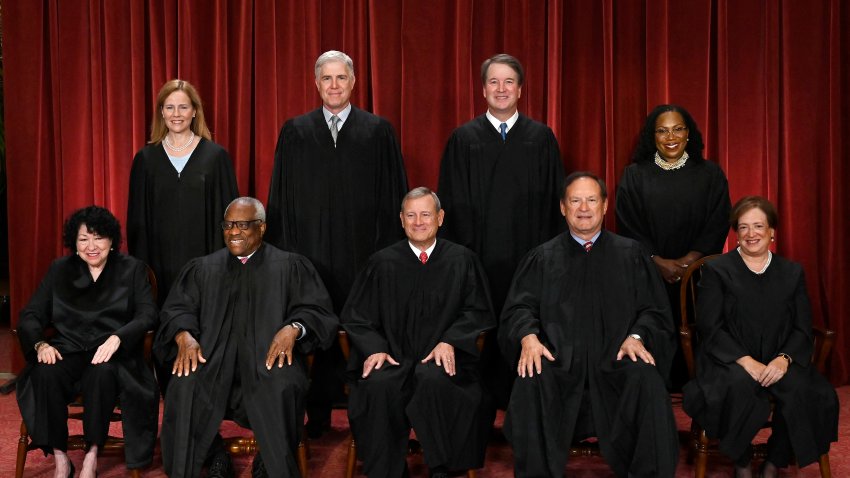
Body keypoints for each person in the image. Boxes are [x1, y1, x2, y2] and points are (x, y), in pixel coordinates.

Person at [266, 50, 408, 436]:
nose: (333, 85)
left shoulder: (377, 130)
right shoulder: (295, 130)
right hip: (308, 253)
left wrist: (387, 254)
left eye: (341, 78)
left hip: (363, 252)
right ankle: (317, 413)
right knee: (312, 324)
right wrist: (287, 255)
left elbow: (393, 195)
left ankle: (366, 415)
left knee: (362, 327)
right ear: (316, 84)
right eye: (326, 79)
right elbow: (281, 197)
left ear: (353, 82)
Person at [500, 172, 679, 477]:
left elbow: (654, 310)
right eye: (575, 200)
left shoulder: (631, 255)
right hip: (557, 363)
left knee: (647, 381)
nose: (584, 207)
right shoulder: (542, 258)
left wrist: (636, 336)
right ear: (562, 207)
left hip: (617, 361)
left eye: (591, 200)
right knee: (531, 379)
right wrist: (529, 337)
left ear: (605, 205)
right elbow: (519, 307)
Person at [154, 197, 339, 478]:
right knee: (184, 383)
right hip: (213, 362)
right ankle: (214, 456)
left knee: (283, 385)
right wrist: (183, 335)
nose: (234, 232)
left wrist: (294, 328)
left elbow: (316, 310)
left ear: (261, 228)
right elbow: (177, 309)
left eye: (242, 224)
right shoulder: (203, 269)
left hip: (269, 361)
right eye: (228, 225)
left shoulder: (289, 266)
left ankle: (270, 461)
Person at [438, 53, 564, 407]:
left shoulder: (541, 139)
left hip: (530, 258)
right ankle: (478, 407)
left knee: (528, 323)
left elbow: (557, 204)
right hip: (478, 259)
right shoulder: (464, 139)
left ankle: (525, 403)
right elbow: (450, 202)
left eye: (509, 81)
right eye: (493, 81)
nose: (501, 88)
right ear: (483, 90)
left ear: (521, 89)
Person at [342, 187, 496, 477]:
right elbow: (356, 316)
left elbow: (478, 311)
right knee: (377, 387)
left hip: (442, 360)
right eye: (411, 215)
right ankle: (389, 471)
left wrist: (451, 341)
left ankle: (444, 470)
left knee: (437, 382)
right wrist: (375, 347)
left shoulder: (461, 260)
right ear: (401, 220)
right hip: (393, 359)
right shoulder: (381, 263)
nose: (418, 222)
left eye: (426, 214)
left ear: (440, 217)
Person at [683, 196, 838, 478]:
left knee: (806, 392)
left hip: (780, 356)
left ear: (772, 232)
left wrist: (784, 359)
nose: (751, 234)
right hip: (729, 359)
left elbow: (803, 328)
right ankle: (741, 462)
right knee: (736, 386)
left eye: (758, 226)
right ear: (736, 233)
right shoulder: (718, 270)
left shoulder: (792, 272)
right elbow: (710, 326)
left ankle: (773, 461)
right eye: (743, 227)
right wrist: (746, 361)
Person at [15, 206, 158, 478]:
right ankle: (61, 458)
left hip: (112, 354)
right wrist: (40, 345)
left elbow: (148, 314)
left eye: (98, 237)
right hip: (68, 349)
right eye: (83, 239)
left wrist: (119, 337)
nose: (91, 246)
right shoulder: (60, 269)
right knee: (45, 373)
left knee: (101, 374)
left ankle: (92, 455)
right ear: (75, 243)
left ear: (112, 240)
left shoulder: (132, 269)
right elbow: (31, 314)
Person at [615, 104, 730, 388]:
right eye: (662, 130)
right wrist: (657, 261)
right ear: (652, 136)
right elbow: (627, 223)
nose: (671, 137)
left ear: (688, 133)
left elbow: (719, 219)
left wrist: (691, 260)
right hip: (648, 272)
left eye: (678, 129)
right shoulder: (635, 175)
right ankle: (654, 384)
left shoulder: (710, 174)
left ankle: (700, 384)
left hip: (699, 276)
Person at [128, 78, 239, 307]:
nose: (176, 114)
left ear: (195, 111)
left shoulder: (215, 157)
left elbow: (231, 219)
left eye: (183, 107)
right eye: (169, 107)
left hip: (207, 266)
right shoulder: (146, 160)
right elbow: (137, 223)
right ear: (161, 112)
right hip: (160, 266)